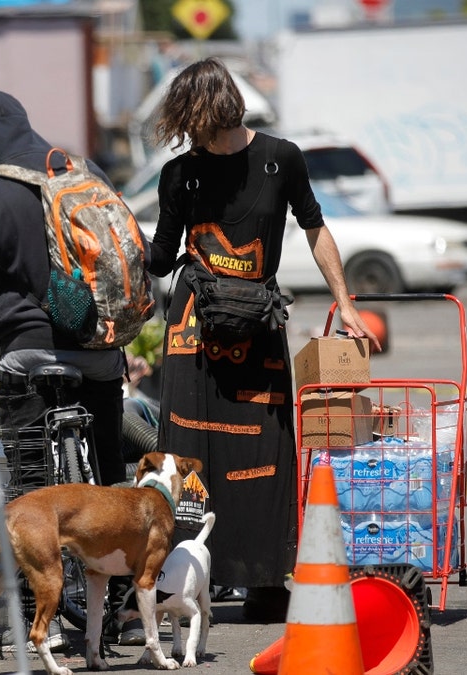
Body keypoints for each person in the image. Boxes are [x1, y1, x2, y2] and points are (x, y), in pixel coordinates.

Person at [144, 58, 382, 621]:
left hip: (257, 327)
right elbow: (159, 258)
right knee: (187, 453)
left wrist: (345, 303)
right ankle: (181, 577)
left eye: (194, 123)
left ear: (213, 111)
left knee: (264, 451)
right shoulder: (180, 173)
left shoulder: (282, 158)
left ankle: (263, 580)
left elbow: (315, 226)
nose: (191, 137)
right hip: (192, 333)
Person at [0, 89, 137, 650]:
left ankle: (33, 621)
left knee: (29, 493)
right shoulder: (80, 168)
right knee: (109, 480)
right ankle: (120, 611)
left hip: (29, 355)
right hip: (100, 354)